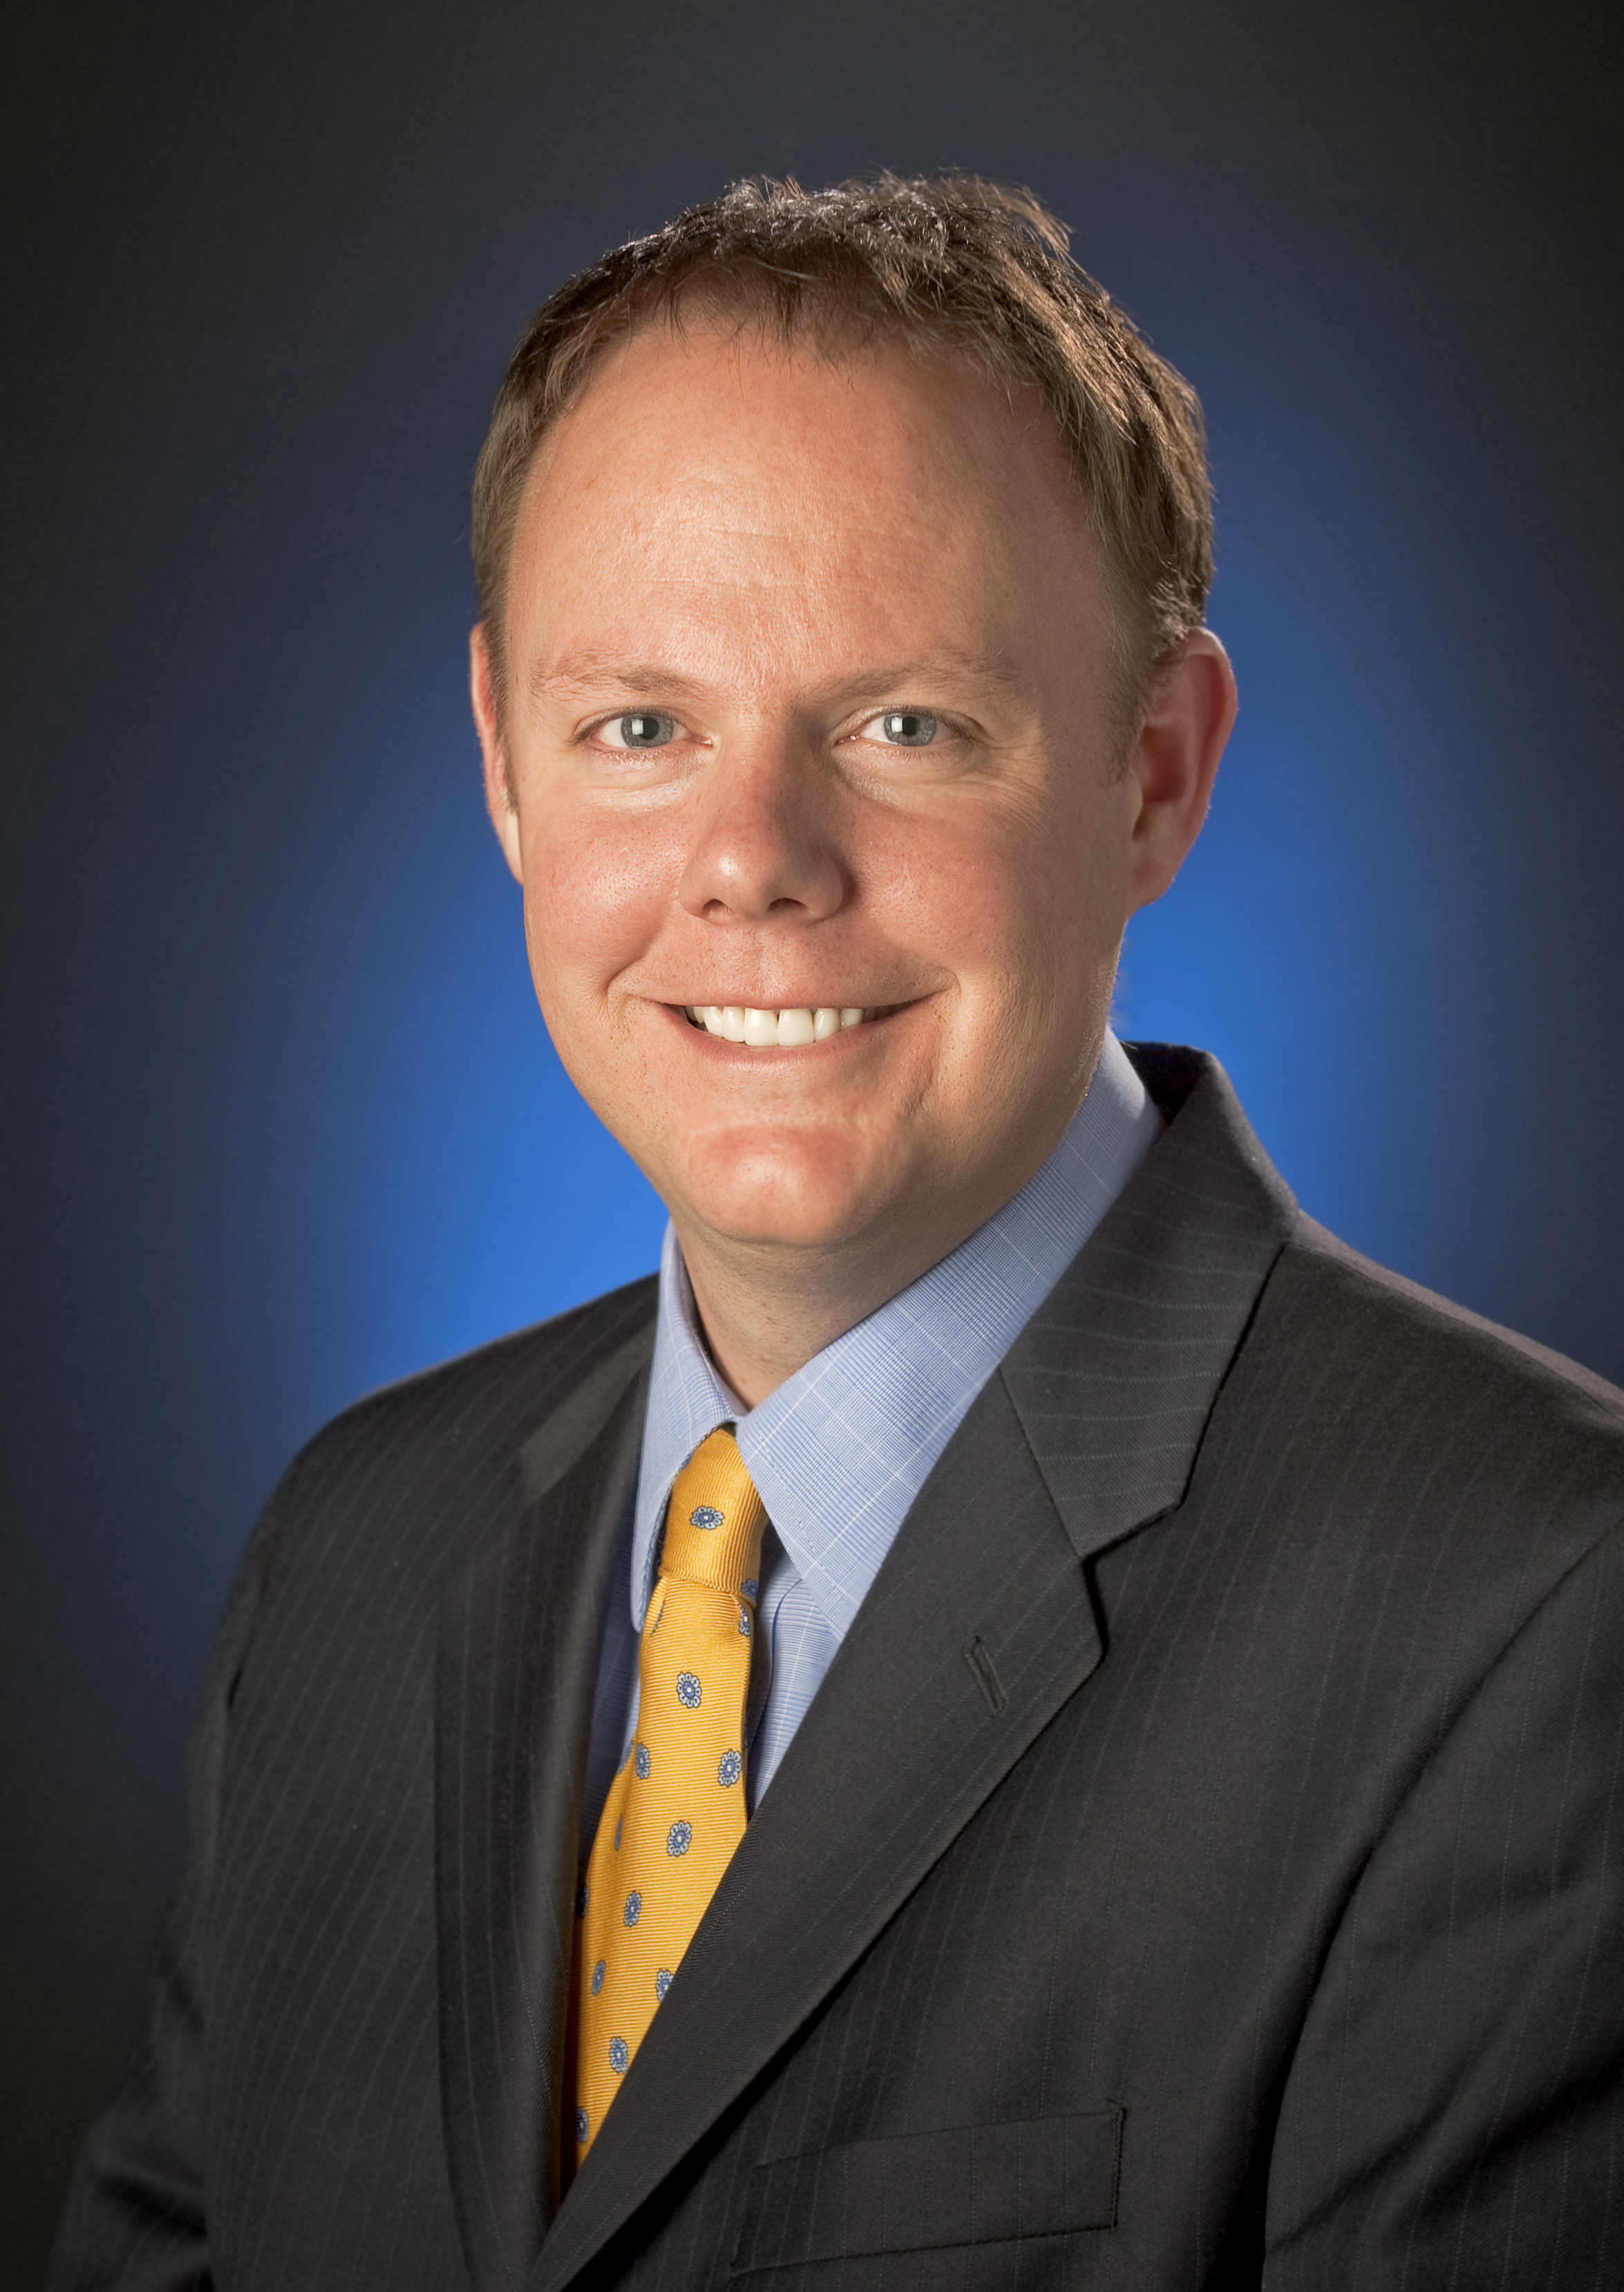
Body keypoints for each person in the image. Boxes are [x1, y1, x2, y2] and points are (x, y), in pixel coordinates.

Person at [49, 174, 1624, 2292]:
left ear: (1155, 772)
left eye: (906, 728)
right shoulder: (352, 1553)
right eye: (641, 729)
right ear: (507, 769)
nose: (754, 863)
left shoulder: (1537, 1623)